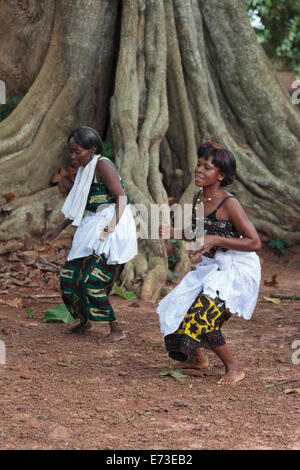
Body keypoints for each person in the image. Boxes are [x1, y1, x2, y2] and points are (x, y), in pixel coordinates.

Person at [157, 141, 261, 385]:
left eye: (208, 167)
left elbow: (255, 242)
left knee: (203, 317)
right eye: (199, 164)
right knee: (177, 305)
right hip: (212, 268)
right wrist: (173, 232)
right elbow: (199, 232)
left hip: (237, 269)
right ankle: (197, 359)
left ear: (221, 175)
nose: (200, 170)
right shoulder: (199, 198)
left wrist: (216, 239)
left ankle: (233, 368)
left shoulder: (229, 203)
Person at [43, 126, 137, 342]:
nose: (73, 156)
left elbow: (121, 198)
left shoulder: (102, 165)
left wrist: (112, 225)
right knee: (70, 276)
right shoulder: (85, 170)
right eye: (71, 151)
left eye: (77, 151)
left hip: (112, 227)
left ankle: (116, 329)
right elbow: (79, 205)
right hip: (92, 225)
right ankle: (84, 321)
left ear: (92, 149)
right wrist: (58, 229)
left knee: (92, 280)